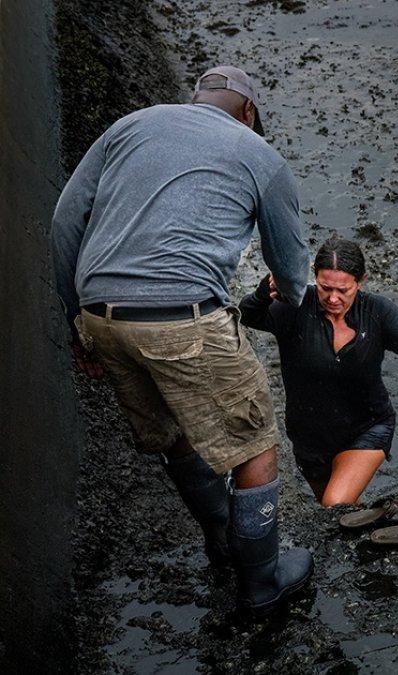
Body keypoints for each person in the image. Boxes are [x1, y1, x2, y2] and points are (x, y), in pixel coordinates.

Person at [52, 65, 313, 617]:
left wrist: (76, 317)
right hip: (184, 318)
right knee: (254, 441)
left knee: (174, 430)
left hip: (103, 316)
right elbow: (289, 265)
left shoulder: (129, 126)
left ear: (196, 99)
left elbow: (65, 221)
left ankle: (220, 537)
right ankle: (262, 583)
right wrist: (292, 298)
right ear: (248, 111)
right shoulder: (259, 154)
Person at [239, 237, 398, 506]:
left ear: (360, 281)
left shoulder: (377, 312)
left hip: (367, 428)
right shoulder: (295, 308)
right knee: (335, 516)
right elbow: (247, 316)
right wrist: (264, 292)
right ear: (315, 279)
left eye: (343, 290)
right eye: (325, 288)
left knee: (335, 503)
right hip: (309, 438)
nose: (333, 298)